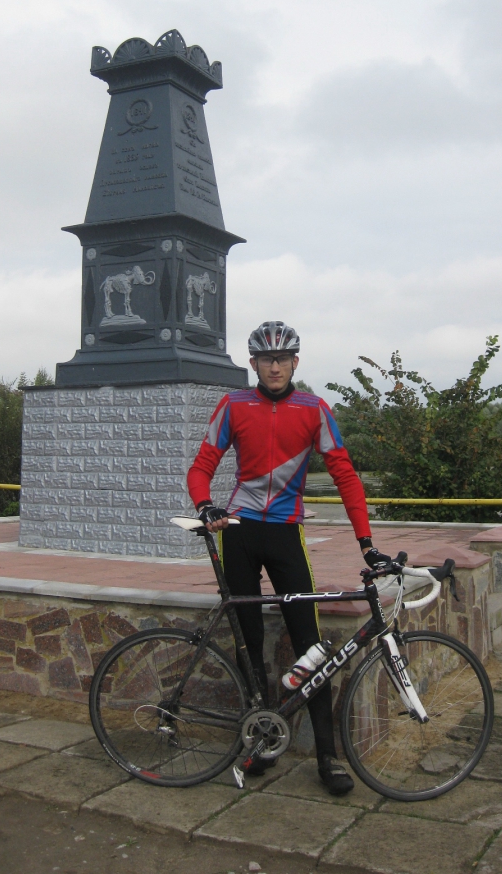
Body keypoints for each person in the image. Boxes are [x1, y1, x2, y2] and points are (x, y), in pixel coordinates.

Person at [187, 320, 390, 796]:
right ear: (254, 363)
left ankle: (327, 757)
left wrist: (366, 542)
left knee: (310, 645)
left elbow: (345, 475)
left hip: (286, 534)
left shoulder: (314, 409)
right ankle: (260, 741)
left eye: (282, 359)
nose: (274, 367)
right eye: (266, 359)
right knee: (249, 641)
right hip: (238, 533)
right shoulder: (234, 404)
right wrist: (206, 505)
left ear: (295, 362)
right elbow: (201, 466)